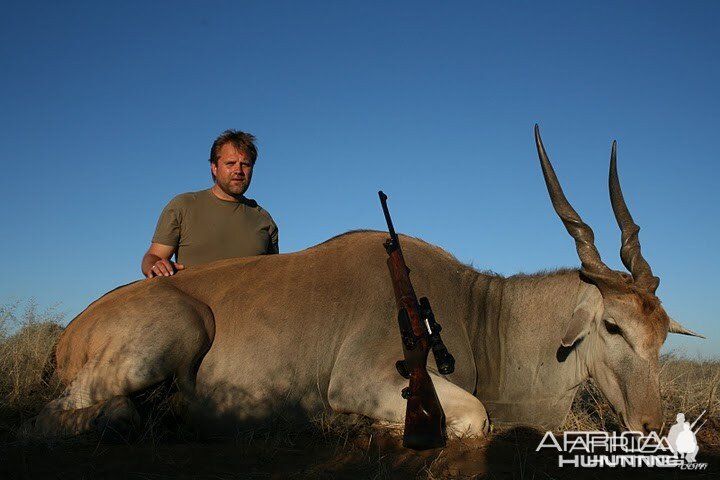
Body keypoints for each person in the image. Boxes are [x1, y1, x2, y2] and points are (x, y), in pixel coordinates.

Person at [142, 130, 278, 278]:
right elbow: (153, 256)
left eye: (245, 164)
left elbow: (271, 277)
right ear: (214, 167)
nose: (238, 170)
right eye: (230, 163)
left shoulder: (264, 219)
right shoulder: (183, 206)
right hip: (190, 300)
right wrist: (155, 265)